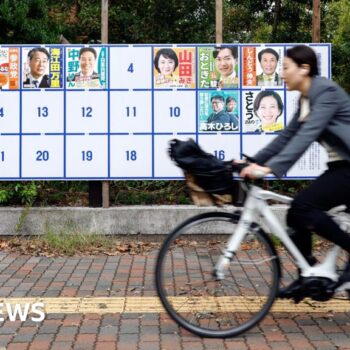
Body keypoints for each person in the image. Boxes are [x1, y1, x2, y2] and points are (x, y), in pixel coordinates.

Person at [240, 45, 350, 299]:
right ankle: (308, 274)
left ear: (304, 68)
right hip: (341, 167)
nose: (282, 74)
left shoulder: (325, 92)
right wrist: (252, 161)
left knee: (302, 207)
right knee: (294, 215)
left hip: (347, 169)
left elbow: (307, 134)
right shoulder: (306, 98)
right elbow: (287, 137)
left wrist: (271, 168)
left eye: (285, 67)